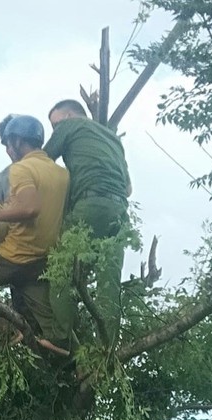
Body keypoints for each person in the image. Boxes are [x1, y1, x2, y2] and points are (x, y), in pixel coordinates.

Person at [0, 115, 70, 349]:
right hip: (42, 259)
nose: (9, 150)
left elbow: (30, 207)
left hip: (15, 254)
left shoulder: (21, 169)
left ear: (19, 141)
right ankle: (62, 347)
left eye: (9, 144)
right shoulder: (61, 173)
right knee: (47, 318)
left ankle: (6, 331)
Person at [43, 99, 134, 345]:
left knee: (60, 270)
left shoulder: (70, 126)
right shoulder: (113, 139)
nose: (55, 130)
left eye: (55, 125)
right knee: (109, 282)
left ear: (70, 115)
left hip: (89, 204)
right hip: (119, 211)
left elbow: (40, 163)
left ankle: (62, 340)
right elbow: (128, 189)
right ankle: (107, 350)